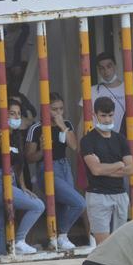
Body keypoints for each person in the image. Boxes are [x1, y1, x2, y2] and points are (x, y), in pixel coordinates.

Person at [0, 95, 45, 256]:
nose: (16, 117)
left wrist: (22, 186)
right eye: (12, 113)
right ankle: (19, 240)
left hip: (12, 180)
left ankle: (1, 257)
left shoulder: (17, 136)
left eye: (18, 114)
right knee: (38, 206)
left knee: (2, 222)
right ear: (3, 115)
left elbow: (19, 165)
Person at [25, 92, 85, 251]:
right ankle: (61, 235)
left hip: (64, 166)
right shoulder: (36, 128)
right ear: (45, 109)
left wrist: (63, 127)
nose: (58, 113)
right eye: (54, 109)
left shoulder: (67, 124)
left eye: (61, 109)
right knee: (79, 203)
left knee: (63, 206)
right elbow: (29, 157)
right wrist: (43, 150)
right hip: (46, 167)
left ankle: (57, 240)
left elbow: (75, 147)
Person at [81, 97, 133, 245]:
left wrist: (104, 168)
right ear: (94, 115)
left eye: (110, 115)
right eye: (103, 115)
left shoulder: (121, 139)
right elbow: (95, 170)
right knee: (103, 245)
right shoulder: (87, 140)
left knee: (120, 243)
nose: (107, 119)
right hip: (98, 195)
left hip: (120, 194)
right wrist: (118, 164)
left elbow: (131, 169)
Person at [90, 53, 126, 120]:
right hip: (99, 130)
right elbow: (83, 118)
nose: (106, 71)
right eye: (102, 68)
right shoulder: (91, 91)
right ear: (98, 70)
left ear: (115, 66)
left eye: (109, 66)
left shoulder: (129, 88)